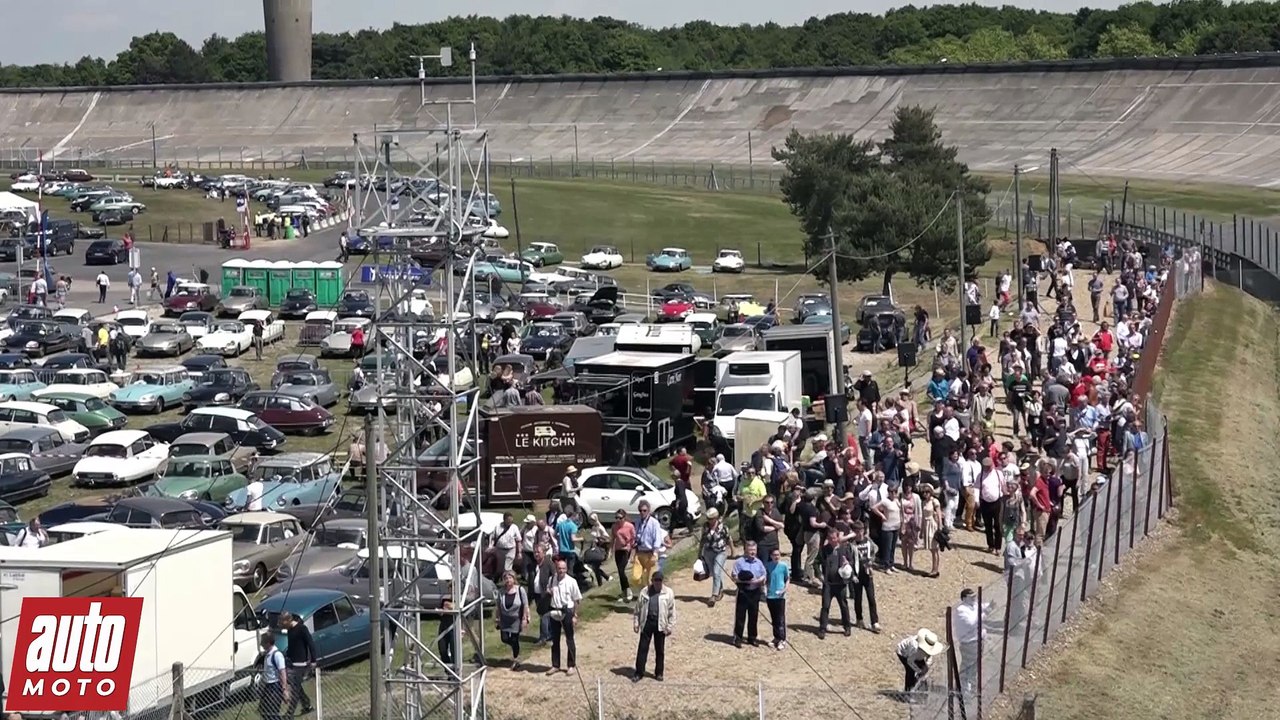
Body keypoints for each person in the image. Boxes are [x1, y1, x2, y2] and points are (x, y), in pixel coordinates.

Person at [631, 570, 675, 682]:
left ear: (662, 581)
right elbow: (638, 609)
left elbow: (672, 611)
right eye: (656, 580)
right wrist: (636, 623)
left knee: (660, 650)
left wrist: (669, 626)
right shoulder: (644, 592)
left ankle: (659, 673)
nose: (658, 583)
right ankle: (639, 672)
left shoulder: (668, 592)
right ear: (652, 581)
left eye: (660, 580)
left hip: (660, 624)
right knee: (642, 648)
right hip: (647, 622)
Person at [546, 558, 581, 675]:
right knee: (554, 640)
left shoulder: (572, 581)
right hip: (554, 611)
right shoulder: (551, 580)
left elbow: (577, 600)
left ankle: (571, 665)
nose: (561, 570)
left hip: (567, 612)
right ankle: (555, 665)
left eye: (563, 568)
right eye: (559, 568)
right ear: (556, 569)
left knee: (569, 639)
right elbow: (548, 593)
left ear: (566, 569)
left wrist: (575, 615)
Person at [817, 528, 853, 639]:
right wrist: (819, 574)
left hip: (840, 583)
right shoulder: (824, 550)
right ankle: (822, 628)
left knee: (843, 605)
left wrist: (847, 563)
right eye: (830, 538)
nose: (833, 540)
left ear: (838, 538)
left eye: (834, 538)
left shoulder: (844, 549)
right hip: (828, 584)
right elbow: (816, 562)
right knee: (825, 606)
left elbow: (851, 561)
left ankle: (847, 626)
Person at [278, 612, 316, 716]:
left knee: (295, 689)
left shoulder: (302, 629)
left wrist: (313, 660)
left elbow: (310, 643)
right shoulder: (290, 630)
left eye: (282, 622)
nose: (282, 625)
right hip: (291, 663)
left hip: (301, 663)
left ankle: (289, 714)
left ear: (288, 620)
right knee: (297, 687)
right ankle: (307, 705)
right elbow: (292, 646)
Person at [730, 541, 766, 648]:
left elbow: (764, 575)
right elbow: (734, 577)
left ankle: (752, 637)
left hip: (755, 592)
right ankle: (738, 638)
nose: (752, 552)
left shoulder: (759, 563)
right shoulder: (739, 562)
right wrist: (744, 580)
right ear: (745, 550)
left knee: (753, 615)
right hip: (743, 591)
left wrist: (759, 581)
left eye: (754, 550)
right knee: (740, 616)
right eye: (750, 550)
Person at [699, 508, 733, 606]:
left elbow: (728, 539)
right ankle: (720, 589)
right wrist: (699, 553)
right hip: (708, 552)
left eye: (711, 518)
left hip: (720, 552)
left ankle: (714, 595)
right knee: (714, 573)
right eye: (708, 518)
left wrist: (732, 551)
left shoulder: (723, 527)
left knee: (717, 571)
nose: (709, 520)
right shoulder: (705, 527)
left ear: (716, 518)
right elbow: (703, 539)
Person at [495, 571, 529, 669]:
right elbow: (498, 606)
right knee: (504, 638)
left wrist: (524, 618)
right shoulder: (501, 592)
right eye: (506, 578)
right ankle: (515, 648)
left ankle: (516, 659)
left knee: (514, 639)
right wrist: (497, 619)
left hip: (516, 620)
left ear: (514, 579)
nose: (508, 580)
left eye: (510, 578)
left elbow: (525, 604)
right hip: (505, 620)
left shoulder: (520, 590)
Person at [896, 628, 946, 693]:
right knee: (910, 671)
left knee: (925, 669)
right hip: (904, 653)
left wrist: (927, 665)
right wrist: (918, 671)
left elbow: (929, 655)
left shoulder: (927, 647)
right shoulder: (914, 648)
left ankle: (918, 685)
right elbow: (910, 661)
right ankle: (908, 692)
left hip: (917, 656)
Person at [256, 631, 289, 720]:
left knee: (272, 713)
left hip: (275, 686)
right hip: (268, 686)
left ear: (268, 643)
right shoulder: (267, 654)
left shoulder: (277, 655)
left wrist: (284, 690)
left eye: (263, 642)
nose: (261, 644)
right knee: (264, 710)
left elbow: (282, 672)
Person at [764, 547, 789, 650]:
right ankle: (776, 637)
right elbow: (766, 579)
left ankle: (782, 639)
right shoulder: (768, 566)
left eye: (778, 555)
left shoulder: (784, 566)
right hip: (770, 595)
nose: (776, 557)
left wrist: (784, 590)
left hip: (780, 596)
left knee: (780, 618)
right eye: (774, 555)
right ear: (771, 556)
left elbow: (787, 579)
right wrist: (765, 589)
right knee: (774, 618)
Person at [631, 500, 661, 589]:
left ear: (649, 511)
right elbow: (635, 538)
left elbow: (657, 538)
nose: (642, 512)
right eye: (640, 510)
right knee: (635, 578)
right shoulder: (637, 522)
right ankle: (644, 589)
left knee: (650, 579)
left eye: (644, 510)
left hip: (650, 553)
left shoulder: (654, 523)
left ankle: (651, 595)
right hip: (639, 553)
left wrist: (655, 553)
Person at [610, 509, 636, 603]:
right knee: (620, 572)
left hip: (626, 550)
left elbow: (634, 538)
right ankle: (623, 591)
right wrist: (610, 550)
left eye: (620, 518)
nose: (618, 520)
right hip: (618, 550)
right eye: (616, 518)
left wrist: (632, 550)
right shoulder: (614, 527)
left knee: (622, 570)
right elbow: (613, 538)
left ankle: (628, 591)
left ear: (624, 518)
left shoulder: (629, 526)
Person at [491, 513, 522, 580]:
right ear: (504, 520)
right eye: (508, 521)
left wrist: (519, 552)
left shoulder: (514, 527)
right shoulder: (498, 527)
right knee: (500, 567)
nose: (510, 523)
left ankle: (508, 580)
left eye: (511, 521)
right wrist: (491, 546)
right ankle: (501, 578)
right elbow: (493, 537)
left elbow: (518, 540)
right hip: (500, 550)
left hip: (510, 550)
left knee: (507, 567)